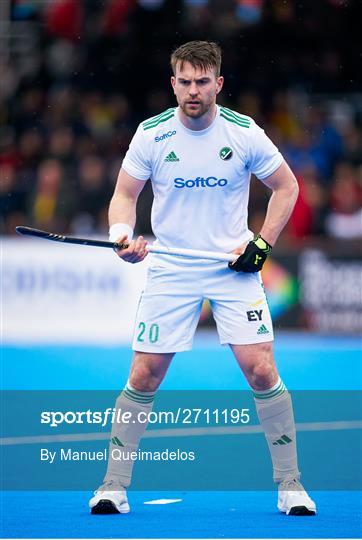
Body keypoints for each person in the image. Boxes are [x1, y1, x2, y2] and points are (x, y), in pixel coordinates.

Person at [89, 41, 316, 516]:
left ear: (219, 84)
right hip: (171, 267)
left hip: (232, 268)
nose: (193, 91)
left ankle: (291, 484)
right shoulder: (151, 135)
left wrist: (262, 244)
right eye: (184, 82)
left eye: (202, 81)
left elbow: (287, 187)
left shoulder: (244, 132)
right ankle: (112, 485)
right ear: (173, 84)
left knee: (262, 371)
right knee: (144, 375)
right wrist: (121, 235)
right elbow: (124, 195)